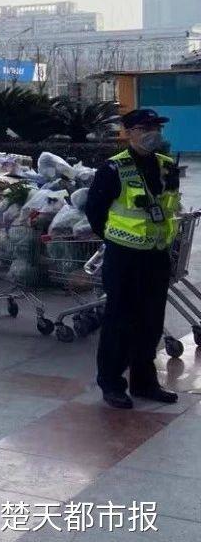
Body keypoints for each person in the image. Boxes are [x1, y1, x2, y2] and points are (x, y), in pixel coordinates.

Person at [84, 109, 181, 410]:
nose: (153, 132)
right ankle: (112, 383)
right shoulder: (114, 169)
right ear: (129, 133)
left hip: (156, 255)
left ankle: (144, 382)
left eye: (156, 126)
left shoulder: (167, 167)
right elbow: (95, 212)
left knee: (151, 322)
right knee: (119, 321)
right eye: (145, 127)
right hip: (124, 257)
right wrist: (116, 238)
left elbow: (170, 209)